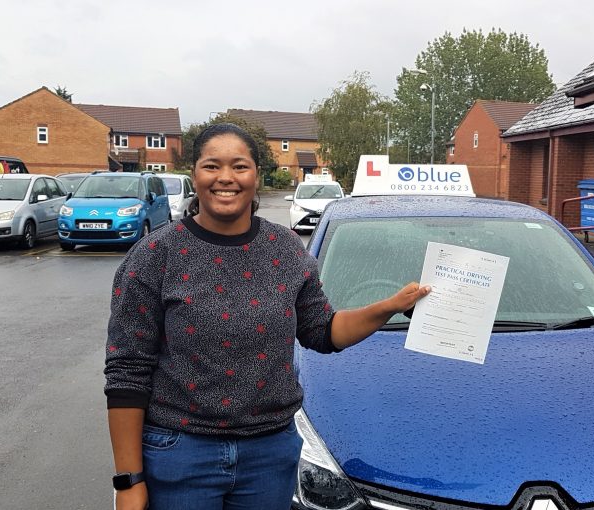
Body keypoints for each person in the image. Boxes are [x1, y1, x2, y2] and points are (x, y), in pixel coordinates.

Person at [105, 123, 430, 510]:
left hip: (268, 456)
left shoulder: (286, 249)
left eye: (239, 166)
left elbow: (323, 332)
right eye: (212, 166)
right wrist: (129, 481)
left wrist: (389, 306)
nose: (226, 178)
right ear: (195, 175)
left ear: (256, 175)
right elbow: (127, 371)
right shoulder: (155, 256)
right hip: (181, 453)